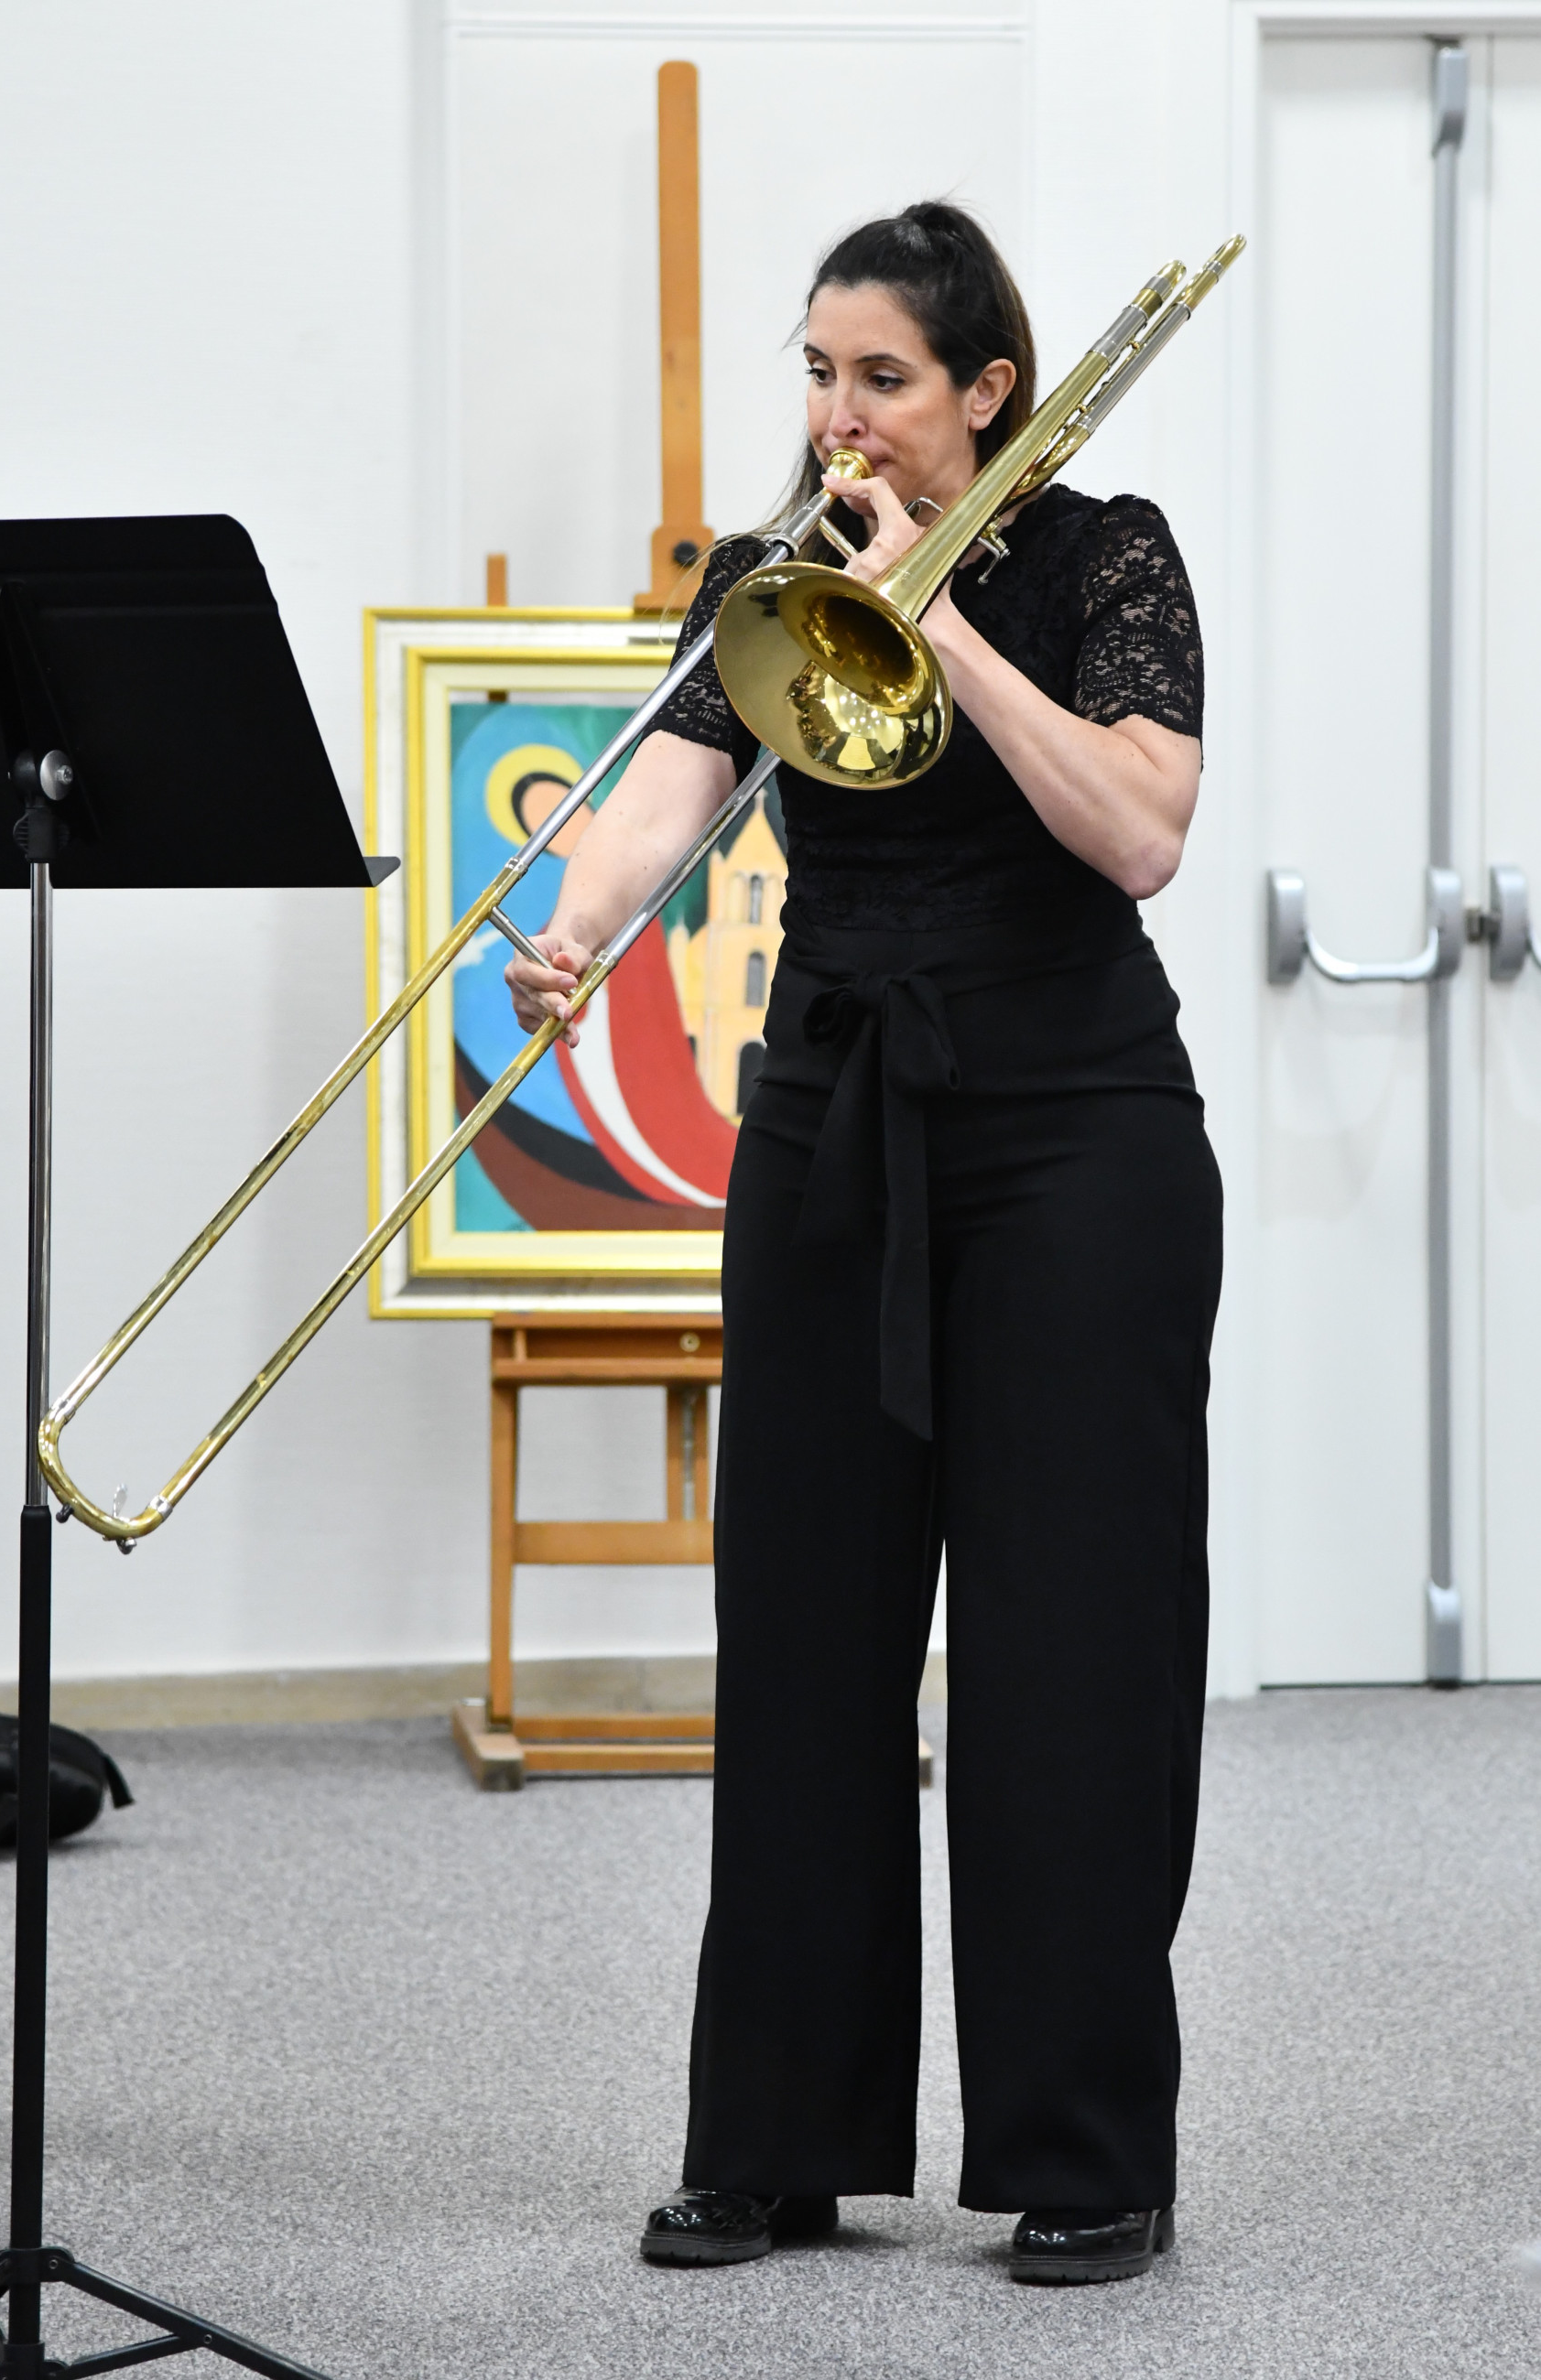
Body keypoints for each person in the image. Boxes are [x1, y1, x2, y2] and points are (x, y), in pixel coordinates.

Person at [505, 200, 1221, 2288]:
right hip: (830, 1119)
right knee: (803, 1630)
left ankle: (1085, 2145)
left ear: (986, 390)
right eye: (818, 373)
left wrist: (940, 616)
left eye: (883, 378)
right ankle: (776, 2138)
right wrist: (577, 923)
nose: (841, 415)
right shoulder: (766, 576)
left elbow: (1141, 831)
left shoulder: (1108, 558)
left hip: (1077, 1133)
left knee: (1069, 1645)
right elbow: (669, 790)